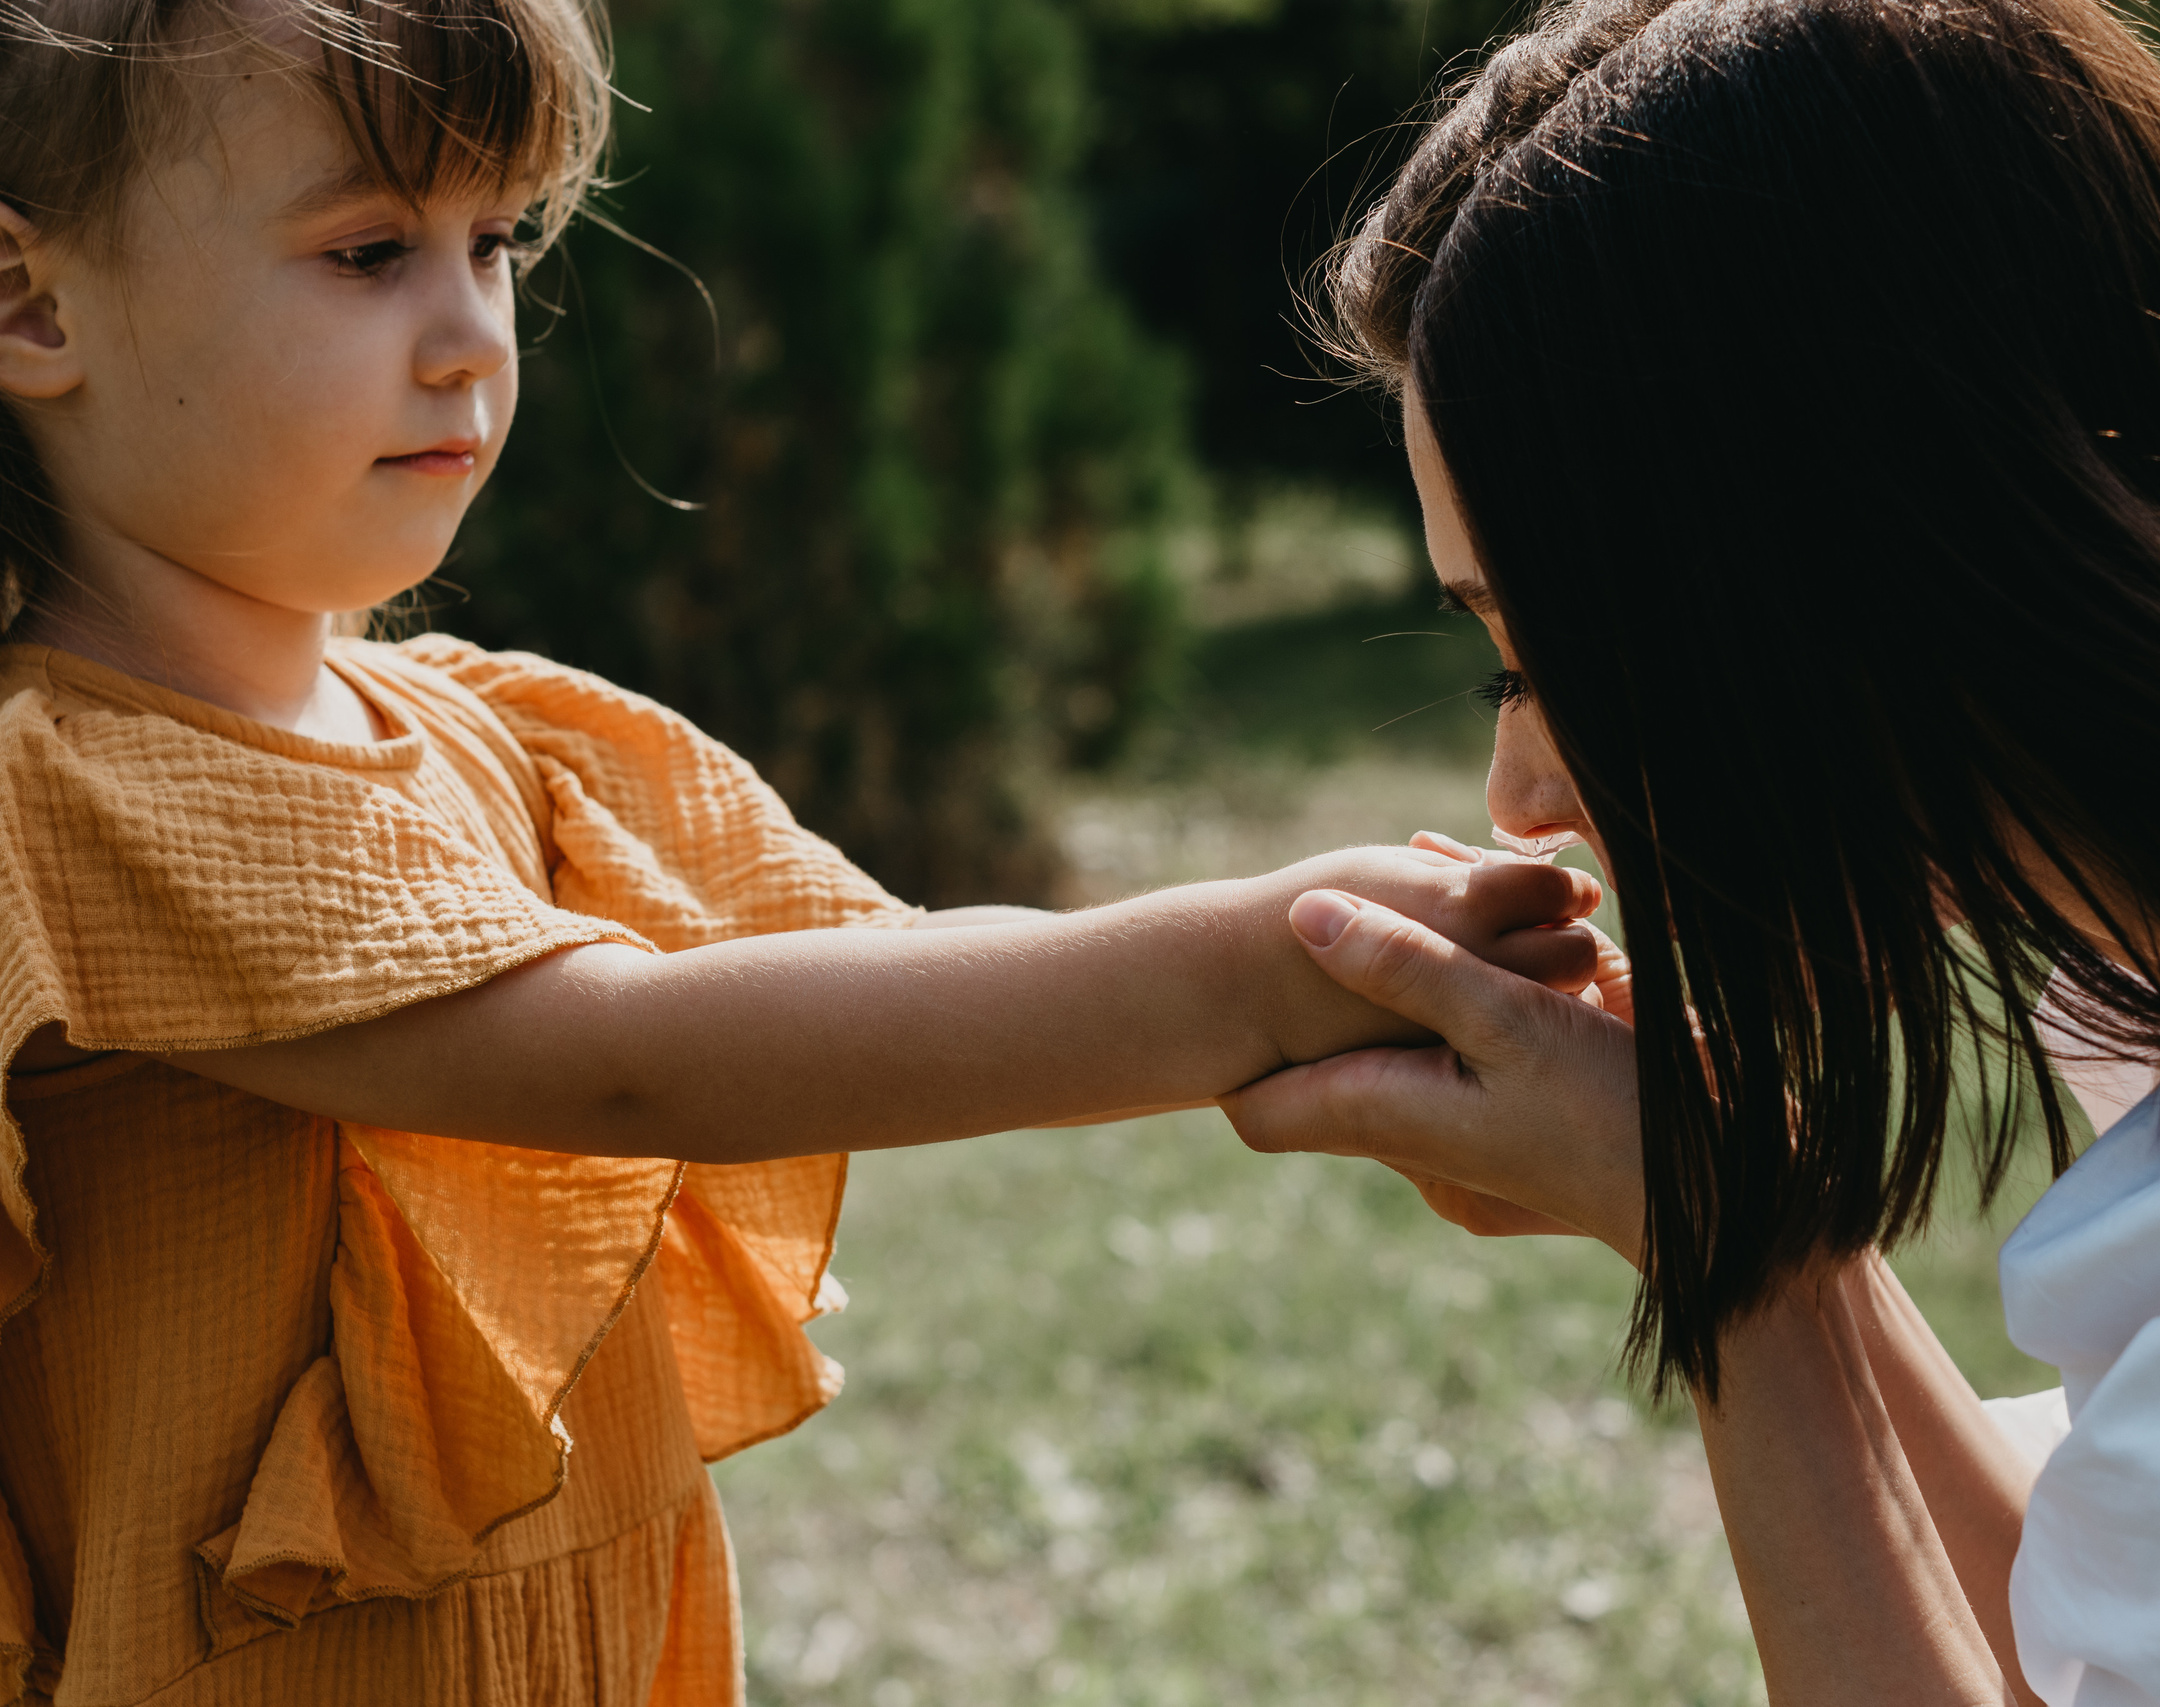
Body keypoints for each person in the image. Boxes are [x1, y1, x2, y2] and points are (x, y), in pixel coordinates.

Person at [0, 3, 1606, 1701]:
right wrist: (1259, 964)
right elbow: (638, 1061)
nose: (469, 332)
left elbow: (877, 968)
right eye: (367, 250)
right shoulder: (72, 795)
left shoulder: (504, 730)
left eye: (494, 241)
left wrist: (1351, 999)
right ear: (32, 302)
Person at [1221, 0, 2160, 1701]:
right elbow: (2101, 1636)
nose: (1522, 794)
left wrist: (1730, 1278)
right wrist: (1751, 1222)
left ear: (1863, 560)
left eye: (1552, 657)